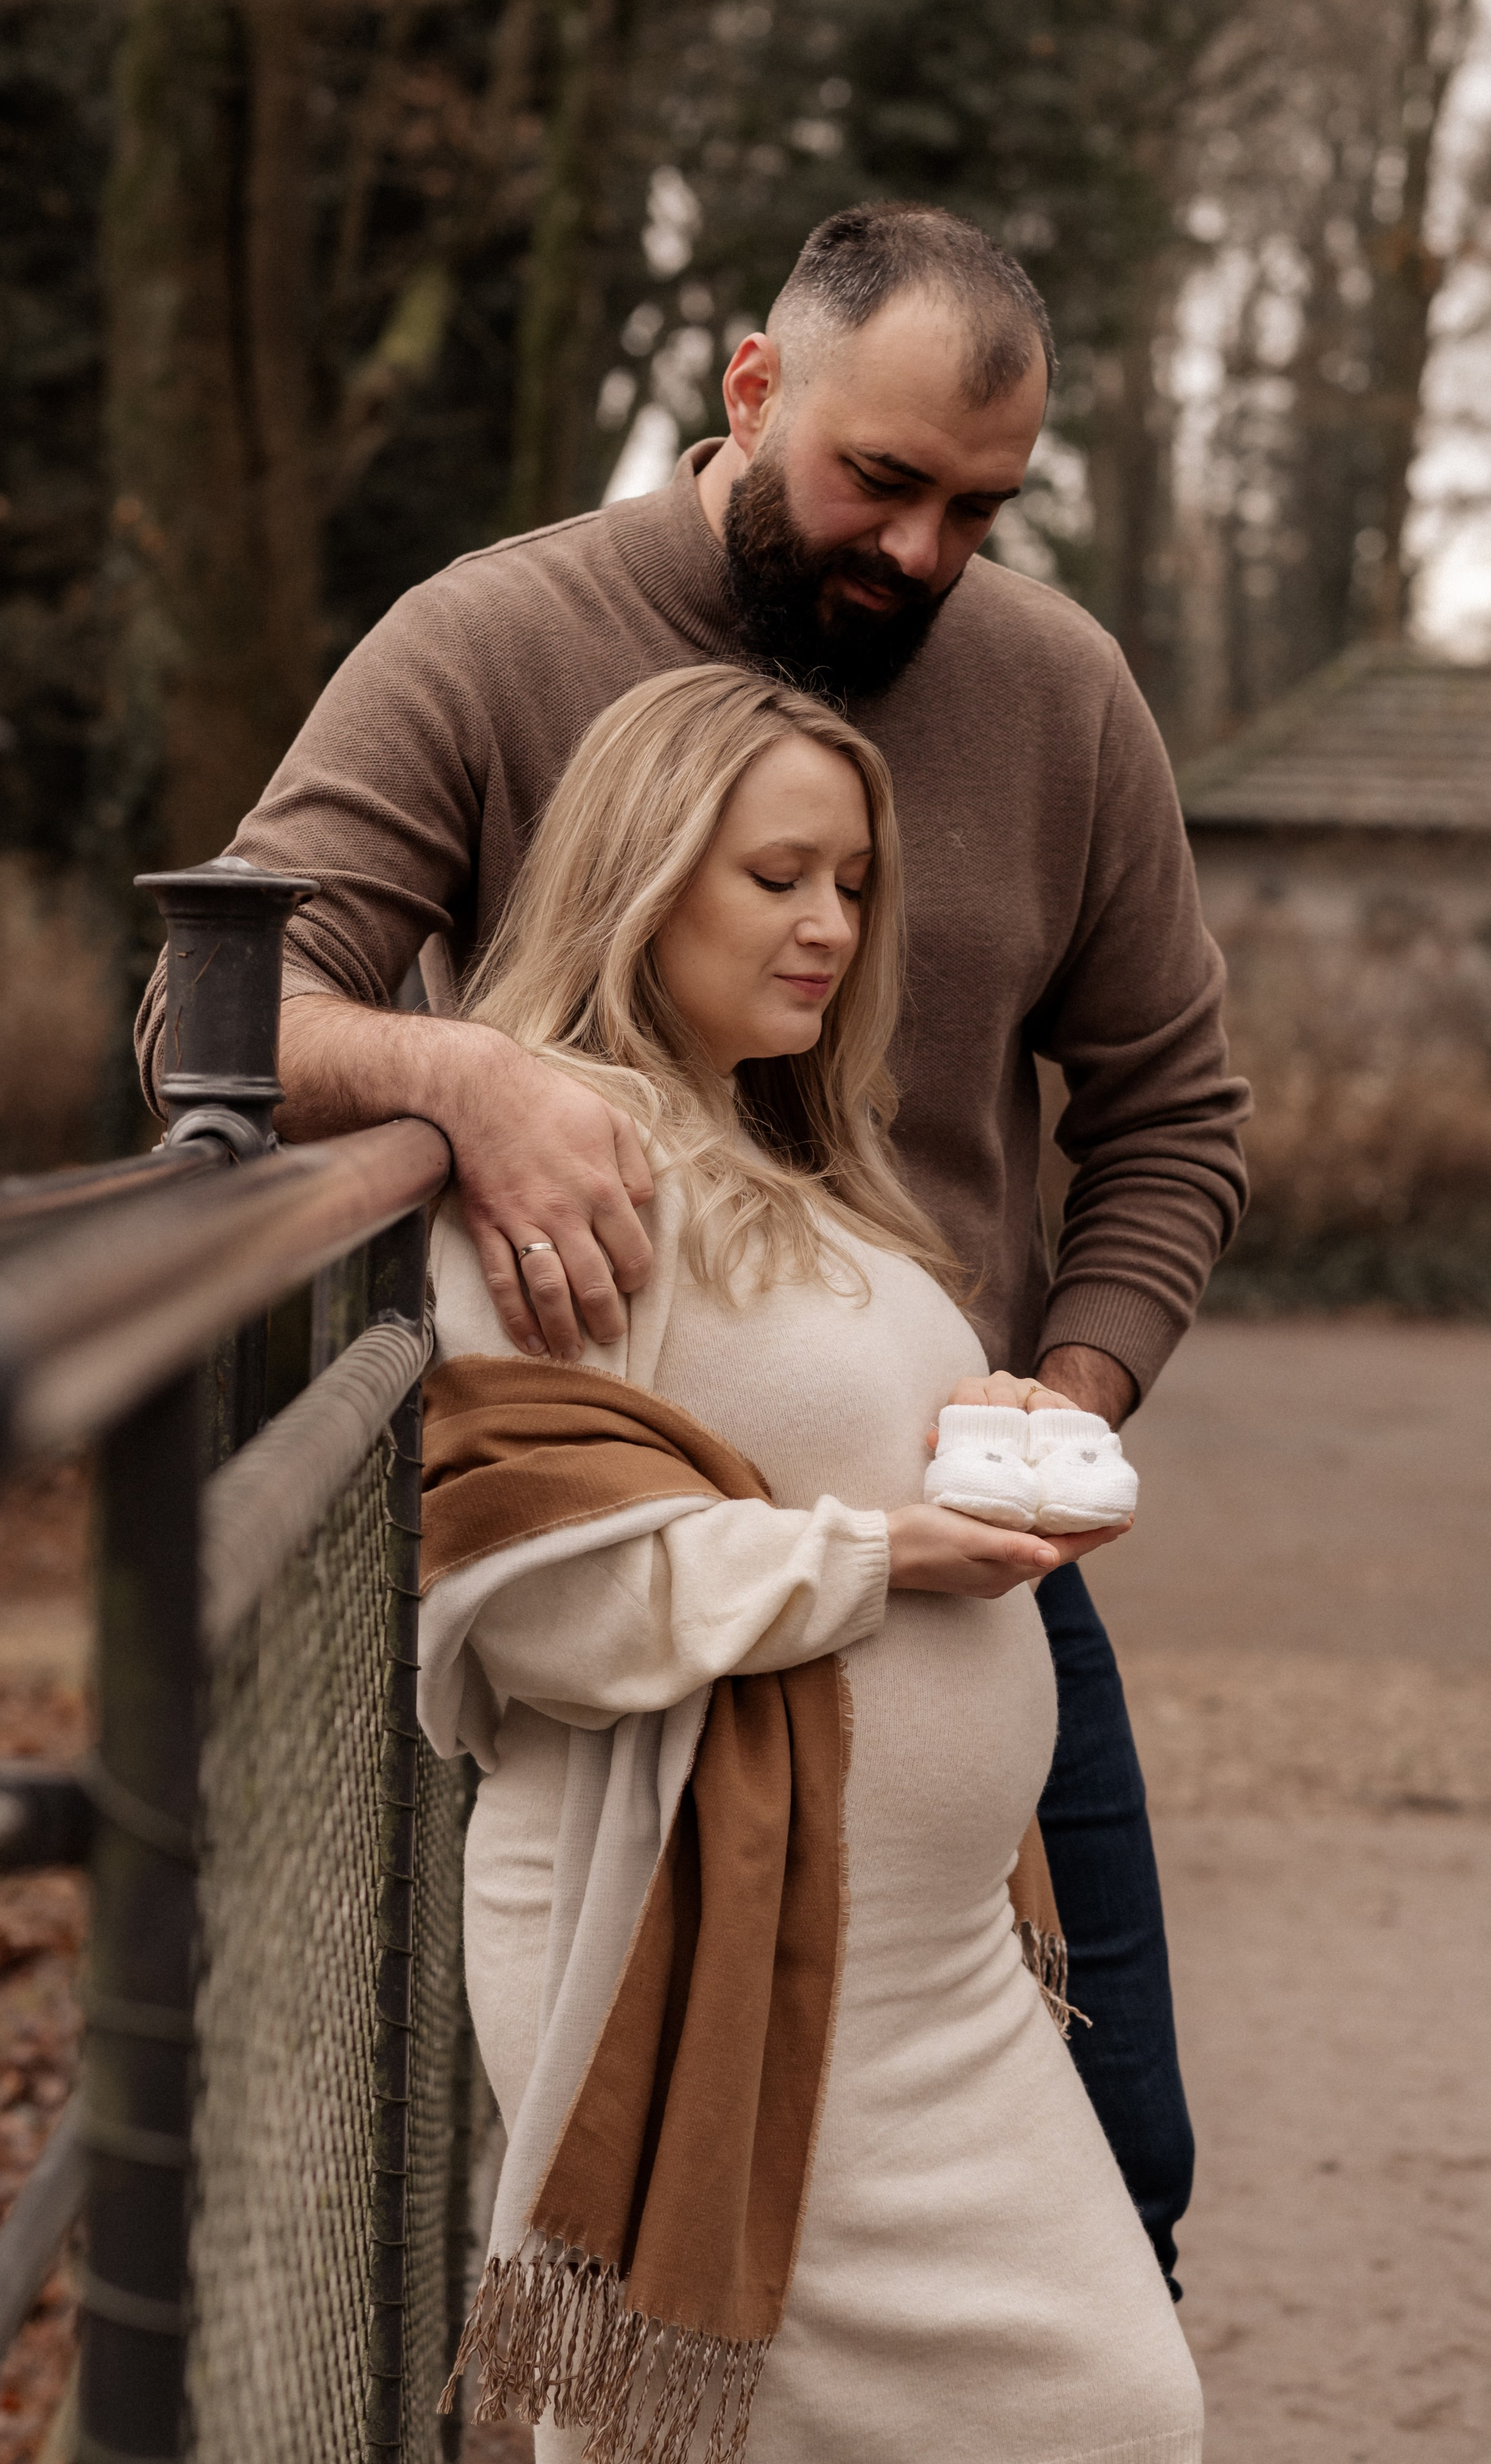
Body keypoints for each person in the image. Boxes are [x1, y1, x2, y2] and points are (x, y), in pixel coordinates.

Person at [136, 201, 1250, 2285]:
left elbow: (1175, 1119)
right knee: (676, 2222)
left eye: (978, 511)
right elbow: (212, 1026)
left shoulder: (1063, 693)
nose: (921, 550)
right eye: (880, 478)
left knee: (1124, 2181)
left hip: (975, 1550)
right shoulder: (487, 640)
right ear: (752, 388)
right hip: (631, 1568)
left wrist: (1064, 1394)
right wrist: (463, 1078)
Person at [419, 662, 1203, 2464]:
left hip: (917, 1967)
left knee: (1107, 2408)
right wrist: (879, 1554)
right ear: (642, 874)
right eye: (778, 877)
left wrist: (999, 1425)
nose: (832, 925)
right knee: (1083, 2417)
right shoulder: (566, 1168)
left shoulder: (772, 1153)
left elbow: (806, 1449)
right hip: (707, 1951)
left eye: (852, 882)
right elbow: (529, 1590)